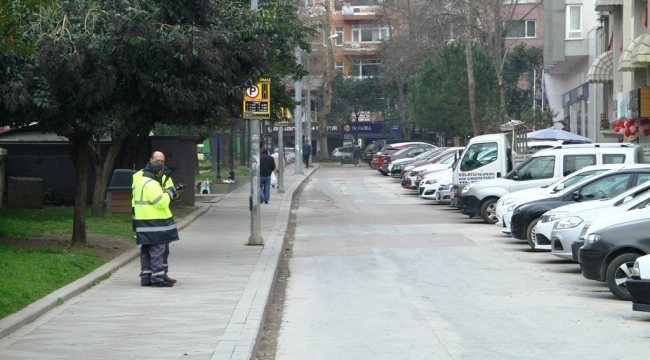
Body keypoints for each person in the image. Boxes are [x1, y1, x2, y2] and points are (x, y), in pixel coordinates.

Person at [132, 151, 179, 284]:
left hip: (142, 219)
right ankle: (158, 277)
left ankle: (146, 277)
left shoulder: (142, 181)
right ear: (158, 172)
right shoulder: (152, 184)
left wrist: (171, 193)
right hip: (155, 221)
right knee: (158, 249)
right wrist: (169, 193)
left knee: (146, 249)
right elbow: (160, 202)